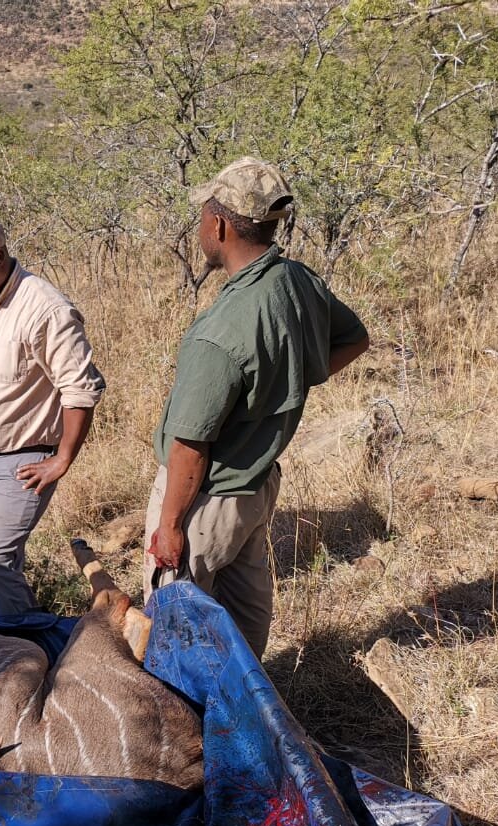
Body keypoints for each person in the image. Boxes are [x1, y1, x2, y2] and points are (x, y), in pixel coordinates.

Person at [145, 158, 370, 656]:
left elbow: (189, 445)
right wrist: (290, 379)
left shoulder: (218, 333)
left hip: (208, 497)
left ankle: (195, 723)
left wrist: (170, 525)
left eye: (204, 215)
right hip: (257, 485)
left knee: (177, 630)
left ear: (220, 225)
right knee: (245, 624)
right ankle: (249, 709)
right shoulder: (297, 281)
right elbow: (354, 338)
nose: (201, 226)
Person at [0, 214, 105, 617]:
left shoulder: (45, 309)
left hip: (22, 460)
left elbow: (81, 389)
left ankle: (24, 644)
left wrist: (62, 459)